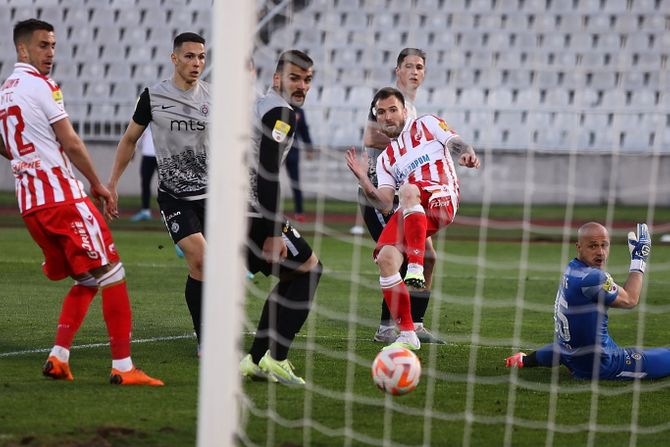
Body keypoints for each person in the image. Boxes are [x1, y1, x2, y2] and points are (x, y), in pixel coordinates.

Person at [0, 19, 163, 386]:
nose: (51, 53)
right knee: (113, 273)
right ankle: (123, 366)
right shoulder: (43, 86)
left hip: (30, 205)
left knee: (87, 279)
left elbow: (6, 142)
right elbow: (71, 142)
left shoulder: (6, 90)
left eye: (53, 46)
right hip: (62, 200)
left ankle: (59, 357)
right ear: (22, 49)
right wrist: (97, 184)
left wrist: (27, 160)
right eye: (43, 45)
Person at [345, 87, 480, 351]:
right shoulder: (385, 159)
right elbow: (384, 203)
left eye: (393, 109)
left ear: (404, 111)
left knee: (407, 190)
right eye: (381, 112)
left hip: (442, 197)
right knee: (386, 258)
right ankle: (407, 333)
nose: (388, 116)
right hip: (412, 208)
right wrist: (363, 180)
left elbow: (455, 141)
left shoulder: (427, 124)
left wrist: (466, 152)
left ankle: (415, 269)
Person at [107, 32, 209, 354]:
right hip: (175, 196)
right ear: (174, 58)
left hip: (213, 195)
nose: (197, 63)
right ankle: (205, 339)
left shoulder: (215, 97)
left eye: (202, 57)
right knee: (202, 259)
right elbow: (129, 140)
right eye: (190, 56)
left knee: (210, 269)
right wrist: (112, 184)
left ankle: (215, 325)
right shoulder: (152, 97)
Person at [239, 50, 323, 385]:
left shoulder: (261, 105)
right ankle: (277, 357)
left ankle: (256, 359)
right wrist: (274, 229)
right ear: (277, 79)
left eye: (307, 80)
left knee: (295, 275)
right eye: (294, 78)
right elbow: (268, 170)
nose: (302, 85)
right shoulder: (280, 112)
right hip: (254, 213)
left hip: (236, 210)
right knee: (311, 270)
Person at [356, 48, 444, 345]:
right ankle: (387, 326)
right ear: (397, 70)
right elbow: (370, 137)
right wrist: (407, 138)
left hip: (404, 197)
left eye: (420, 66)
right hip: (380, 195)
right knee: (396, 255)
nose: (414, 72)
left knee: (428, 257)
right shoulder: (387, 101)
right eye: (409, 66)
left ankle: (416, 324)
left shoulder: (412, 110)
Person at [505, 222, 670, 380]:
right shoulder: (592, 278)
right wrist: (639, 259)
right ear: (579, 247)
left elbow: (560, 349)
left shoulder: (571, 268)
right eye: (593, 246)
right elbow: (630, 300)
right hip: (602, 364)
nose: (600, 252)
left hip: (569, 355)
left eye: (604, 245)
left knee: (565, 347)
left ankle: (524, 360)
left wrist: (526, 360)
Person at [285, 105, 313, 222]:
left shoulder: (299, 111)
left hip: (292, 151)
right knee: (272, 180)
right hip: (277, 149)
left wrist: (309, 148)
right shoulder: (280, 108)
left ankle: (299, 212)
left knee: (295, 182)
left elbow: (304, 130)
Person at [129, 124, 157, 222]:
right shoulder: (145, 114)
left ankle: (168, 211)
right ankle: (145, 211)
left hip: (162, 154)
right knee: (145, 183)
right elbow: (138, 133)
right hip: (147, 154)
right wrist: (134, 149)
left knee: (166, 185)